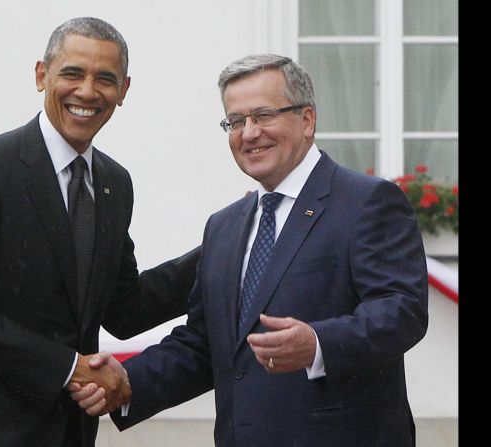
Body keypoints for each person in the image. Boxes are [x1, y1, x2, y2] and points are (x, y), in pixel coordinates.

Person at [71, 54, 429, 446]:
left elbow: (401, 310)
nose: (249, 133)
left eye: (263, 115)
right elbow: (205, 345)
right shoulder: (225, 226)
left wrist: (318, 344)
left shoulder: (367, 201)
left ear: (307, 120)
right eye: (236, 121)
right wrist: (126, 381)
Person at [0, 17, 200, 447]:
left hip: (68, 432)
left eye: (105, 78)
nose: (87, 91)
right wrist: (68, 368)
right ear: (42, 74)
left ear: (124, 90)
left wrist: (225, 244)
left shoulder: (114, 183)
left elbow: (124, 309)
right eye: (72, 73)